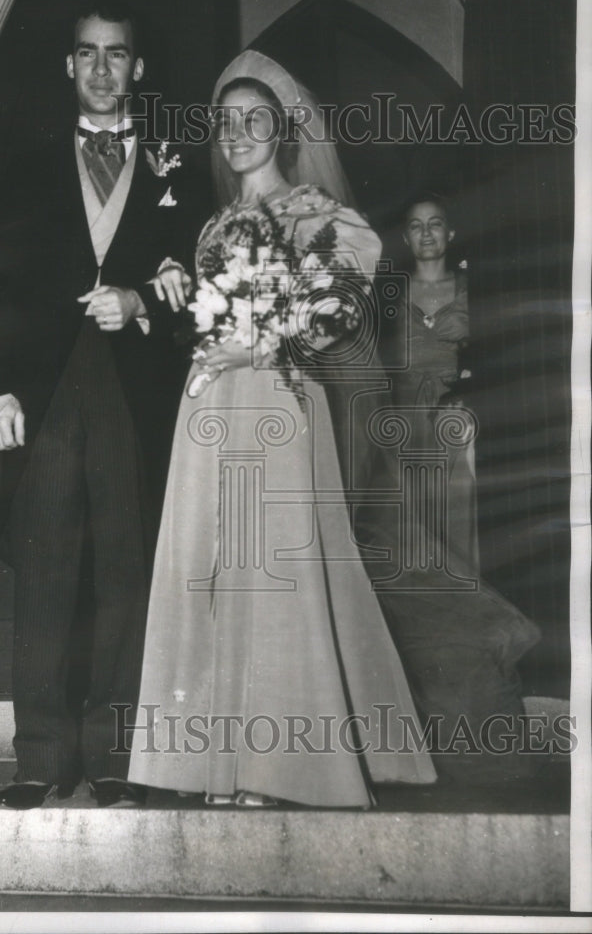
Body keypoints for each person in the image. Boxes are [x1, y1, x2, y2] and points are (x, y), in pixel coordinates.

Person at [127, 50, 437, 808]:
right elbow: (198, 311)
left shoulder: (323, 217)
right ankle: (213, 764)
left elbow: (333, 314)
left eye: (254, 119)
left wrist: (254, 343)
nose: (237, 134)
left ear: (285, 128)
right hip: (207, 411)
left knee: (274, 569)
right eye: (226, 121)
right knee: (212, 566)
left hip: (276, 401)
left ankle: (278, 767)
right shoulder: (208, 226)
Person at [0, 0, 206, 809]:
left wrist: (142, 302)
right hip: (44, 391)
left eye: (118, 54)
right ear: (68, 65)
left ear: (138, 68)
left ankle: (112, 755)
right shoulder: (28, 159)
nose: (104, 69)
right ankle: (39, 757)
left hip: (132, 392)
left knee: (125, 569)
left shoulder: (180, 163)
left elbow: (206, 291)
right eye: (89, 54)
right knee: (43, 569)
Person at [389, 195, 479, 570]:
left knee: (456, 508)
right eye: (415, 225)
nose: (426, 233)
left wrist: (466, 389)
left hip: (454, 414)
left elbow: (493, 356)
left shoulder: (472, 289)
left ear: (451, 232)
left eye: (435, 223)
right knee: (406, 518)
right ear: (406, 239)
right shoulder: (387, 293)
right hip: (399, 416)